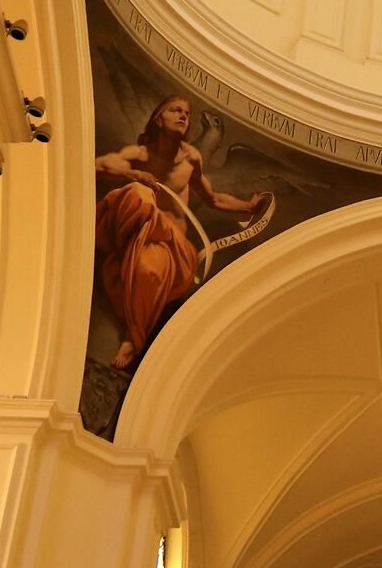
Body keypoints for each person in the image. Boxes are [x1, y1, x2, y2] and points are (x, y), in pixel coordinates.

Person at [94, 96, 266, 368]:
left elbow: (213, 199)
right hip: (136, 229)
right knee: (138, 195)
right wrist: (136, 176)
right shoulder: (139, 154)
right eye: (175, 110)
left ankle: (133, 338)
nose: (183, 116)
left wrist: (248, 205)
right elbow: (97, 165)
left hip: (170, 246)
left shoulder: (191, 159)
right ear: (158, 118)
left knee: (147, 269)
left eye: (187, 113)